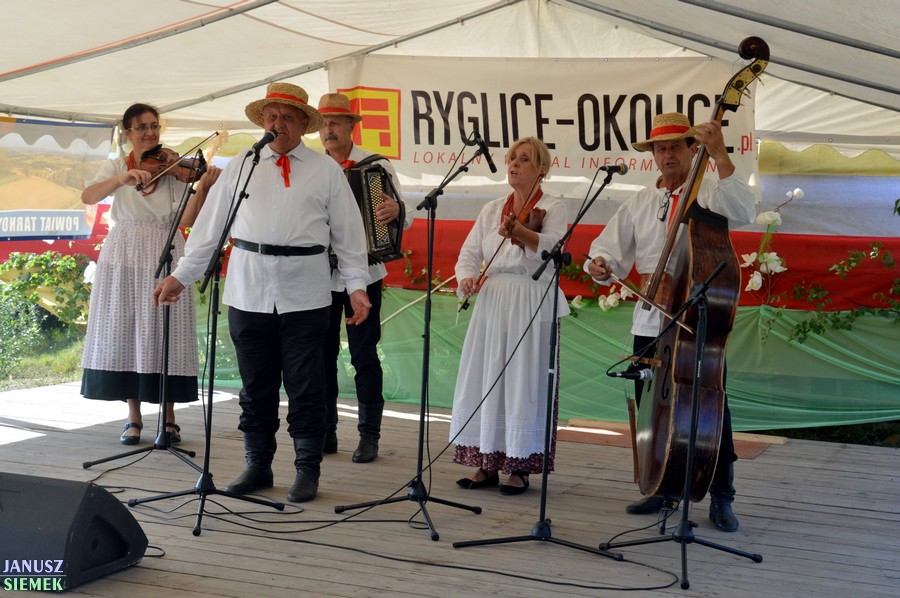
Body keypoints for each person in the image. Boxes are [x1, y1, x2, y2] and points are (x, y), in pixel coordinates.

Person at [153, 82, 371, 503]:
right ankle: (258, 464)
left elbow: (349, 236)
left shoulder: (325, 170)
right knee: (255, 386)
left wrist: (356, 287)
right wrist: (181, 276)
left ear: (303, 124)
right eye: (271, 116)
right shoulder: (242, 164)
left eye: (287, 117)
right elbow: (210, 229)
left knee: (306, 385)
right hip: (248, 289)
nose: (278, 123)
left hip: (306, 291)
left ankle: (307, 468)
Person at [584, 112, 755, 532]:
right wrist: (599, 264)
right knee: (653, 409)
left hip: (697, 317)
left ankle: (722, 494)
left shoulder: (710, 191)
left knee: (712, 407)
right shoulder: (640, 201)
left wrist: (721, 156)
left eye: (676, 146)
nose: (667, 155)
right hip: (651, 317)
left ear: (692, 149)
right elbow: (606, 251)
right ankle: (662, 485)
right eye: (660, 149)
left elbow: (744, 210)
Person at [81, 103, 220, 446]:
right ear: (128, 133)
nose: (150, 132)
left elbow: (186, 219)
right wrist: (122, 178)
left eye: (154, 126)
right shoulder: (117, 165)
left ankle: (169, 418)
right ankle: (133, 417)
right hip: (124, 251)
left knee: (166, 329)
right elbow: (88, 195)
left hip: (164, 245)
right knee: (127, 328)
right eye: (142, 127)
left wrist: (202, 188)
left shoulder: (173, 167)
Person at [450, 136, 569, 495]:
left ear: (542, 169)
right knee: (487, 377)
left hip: (530, 298)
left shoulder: (554, 206)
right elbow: (468, 254)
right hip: (494, 300)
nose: (514, 164)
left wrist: (521, 232)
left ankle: (520, 466)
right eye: (512, 158)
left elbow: (553, 250)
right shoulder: (491, 210)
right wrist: (466, 277)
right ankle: (486, 463)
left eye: (524, 159)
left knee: (523, 380)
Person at [317, 92, 413, 463]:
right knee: (321, 354)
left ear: (351, 127)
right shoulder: (313, 167)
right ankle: (326, 431)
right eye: (323, 123)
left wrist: (396, 209)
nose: (328, 129)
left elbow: (407, 215)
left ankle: (369, 435)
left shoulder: (375, 166)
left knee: (364, 354)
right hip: (321, 274)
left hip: (366, 271)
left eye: (335, 122)